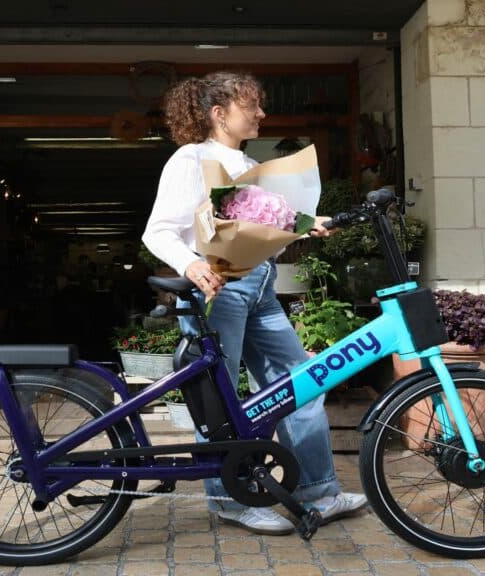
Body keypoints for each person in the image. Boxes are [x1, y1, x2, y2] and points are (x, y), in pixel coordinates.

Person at [142, 71, 367, 535]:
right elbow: (158, 230)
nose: (262, 113)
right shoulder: (192, 158)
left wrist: (307, 224)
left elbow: (257, 228)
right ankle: (229, 498)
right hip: (218, 287)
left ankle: (319, 492)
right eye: (252, 105)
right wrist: (190, 265)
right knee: (219, 401)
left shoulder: (245, 161)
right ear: (219, 114)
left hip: (259, 284)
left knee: (300, 384)